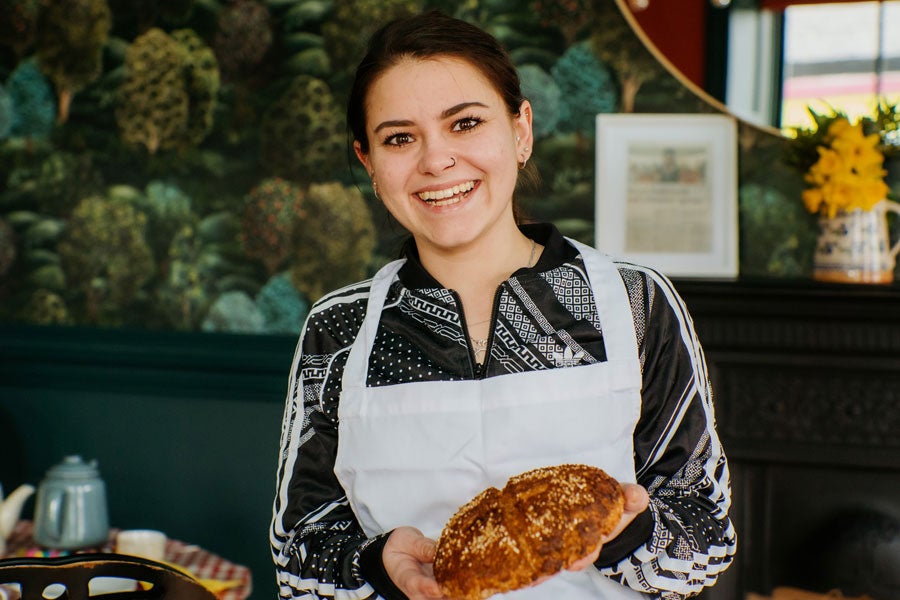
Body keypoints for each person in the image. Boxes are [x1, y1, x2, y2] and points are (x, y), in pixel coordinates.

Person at [270, 10, 736, 600]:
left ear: (521, 131)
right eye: (399, 138)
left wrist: (627, 534)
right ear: (367, 161)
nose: (436, 160)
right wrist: (375, 566)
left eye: (464, 123)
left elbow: (707, 539)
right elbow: (298, 554)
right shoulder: (338, 329)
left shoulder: (636, 302)